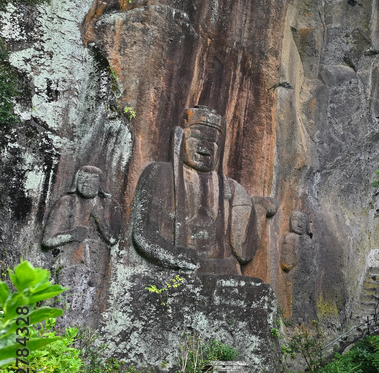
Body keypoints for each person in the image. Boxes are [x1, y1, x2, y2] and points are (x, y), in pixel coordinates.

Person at [131, 106, 258, 275]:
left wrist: (253, 208)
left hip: (221, 271)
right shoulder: (160, 173)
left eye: (212, 141)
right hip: (171, 270)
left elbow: (243, 252)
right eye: (197, 137)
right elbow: (143, 234)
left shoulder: (230, 187)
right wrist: (175, 256)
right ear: (181, 138)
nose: (205, 147)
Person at [42, 165, 123, 269]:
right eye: (81, 179)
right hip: (70, 263)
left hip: (99, 263)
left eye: (91, 180)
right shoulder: (67, 202)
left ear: (100, 184)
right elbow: (47, 240)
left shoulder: (110, 205)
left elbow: (112, 239)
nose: (85, 184)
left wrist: (99, 219)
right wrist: (71, 235)